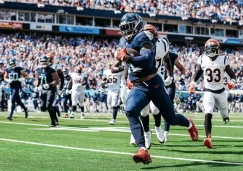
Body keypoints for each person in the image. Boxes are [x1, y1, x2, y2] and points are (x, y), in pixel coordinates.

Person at [116, 13, 198, 164]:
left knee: (171, 119)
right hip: (139, 86)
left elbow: (146, 60)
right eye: (124, 29)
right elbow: (123, 63)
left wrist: (126, 58)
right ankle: (142, 150)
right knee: (130, 111)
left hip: (154, 83)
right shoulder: (125, 40)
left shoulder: (144, 39)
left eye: (128, 28)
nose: (125, 32)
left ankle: (188, 123)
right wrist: (122, 66)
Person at [189, 39, 236, 148]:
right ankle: (208, 138)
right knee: (208, 113)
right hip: (208, 91)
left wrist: (232, 82)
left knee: (225, 114)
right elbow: (198, 72)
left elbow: (232, 74)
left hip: (221, 92)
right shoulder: (202, 59)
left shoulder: (223, 59)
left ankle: (225, 117)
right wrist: (192, 83)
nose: (216, 50)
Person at [139, 50, 186, 148]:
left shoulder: (171, 56)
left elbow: (181, 68)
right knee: (144, 111)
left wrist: (179, 77)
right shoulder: (147, 54)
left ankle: (160, 128)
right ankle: (146, 132)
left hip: (164, 84)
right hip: (146, 84)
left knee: (158, 108)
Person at [36, 56, 60, 127]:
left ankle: (53, 122)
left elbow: (57, 81)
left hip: (51, 90)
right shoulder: (39, 70)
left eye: (45, 61)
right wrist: (37, 86)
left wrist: (49, 85)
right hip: (43, 90)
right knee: (43, 108)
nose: (44, 63)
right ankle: (55, 108)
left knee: (48, 106)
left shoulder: (51, 70)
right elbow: (38, 79)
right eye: (42, 62)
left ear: (48, 62)